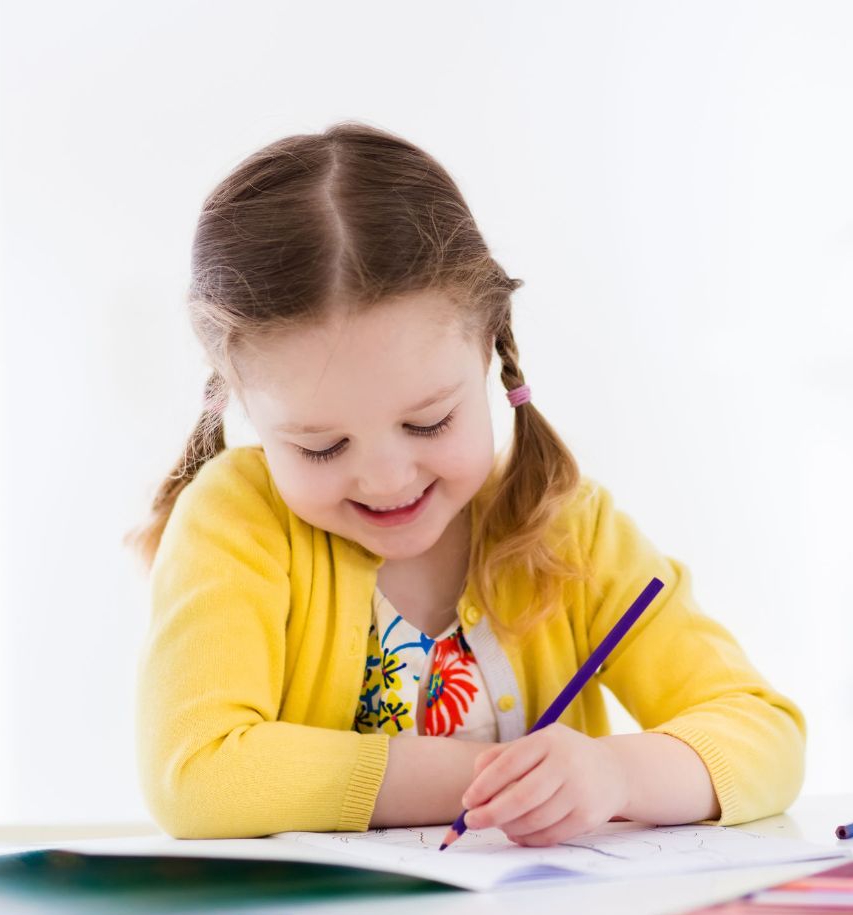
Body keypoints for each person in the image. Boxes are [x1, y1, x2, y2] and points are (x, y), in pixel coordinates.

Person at [131, 123, 804, 846]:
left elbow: (765, 736)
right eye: (321, 447)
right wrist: (495, 778)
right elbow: (196, 775)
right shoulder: (237, 523)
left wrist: (617, 776)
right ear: (237, 398)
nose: (388, 479)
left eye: (428, 424)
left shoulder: (564, 524)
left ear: (489, 348)